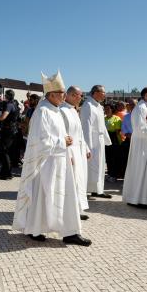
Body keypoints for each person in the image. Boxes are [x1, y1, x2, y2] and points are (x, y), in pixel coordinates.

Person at [13, 71, 92, 246]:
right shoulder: (42, 112)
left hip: (61, 159)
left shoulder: (55, 110)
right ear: (52, 94)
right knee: (44, 197)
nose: (65, 96)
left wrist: (67, 149)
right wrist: (61, 141)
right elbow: (40, 140)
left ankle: (70, 232)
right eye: (62, 93)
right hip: (46, 162)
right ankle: (35, 229)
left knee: (67, 196)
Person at [59, 85, 91, 220]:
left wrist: (86, 148)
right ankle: (69, 212)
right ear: (72, 95)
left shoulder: (73, 110)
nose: (81, 98)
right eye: (80, 95)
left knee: (79, 180)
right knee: (71, 183)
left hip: (79, 151)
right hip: (70, 152)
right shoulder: (62, 111)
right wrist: (68, 154)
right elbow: (63, 134)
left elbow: (79, 132)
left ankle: (77, 209)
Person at [80, 85, 112, 199]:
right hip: (91, 140)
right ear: (95, 93)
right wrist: (87, 145)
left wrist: (106, 139)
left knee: (100, 165)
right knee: (91, 165)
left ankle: (97, 190)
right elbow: (86, 126)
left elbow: (102, 125)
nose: (105, 94)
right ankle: (86, 190)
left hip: (99, 139)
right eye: (103, 92)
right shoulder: (87, 105)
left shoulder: (98, 105)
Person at [0, 89, 21, 180]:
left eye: (5, 95)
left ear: (8, 96)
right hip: (12, 130)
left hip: (8, 130)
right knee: (5, 151)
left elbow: (3, 117)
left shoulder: (9, 105)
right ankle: (3, 171)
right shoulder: (15, 104)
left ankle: (8, 174)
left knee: (5, 151)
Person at [104, 103, 122, 182]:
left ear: (112, 109)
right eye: (105, 108)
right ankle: (109, 174)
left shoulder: (117, 118)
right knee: (107, 158)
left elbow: (117, 131)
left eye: (108, 108)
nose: (106, 110)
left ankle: (114, 175)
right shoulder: (103, 118)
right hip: (105, 140)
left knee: (114, 158)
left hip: (114, 140)